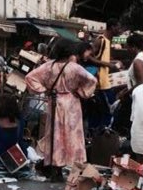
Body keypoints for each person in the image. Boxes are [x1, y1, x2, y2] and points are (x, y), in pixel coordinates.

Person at [25, 37, 97, 179]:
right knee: (72, 136)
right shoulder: (74, 67)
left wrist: (44, 90)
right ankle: (74, 167)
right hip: (71, 104)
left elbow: (30, 77)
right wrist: (81, 92)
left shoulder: (49, 66)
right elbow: (92, 80)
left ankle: (55, 167)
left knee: (55, 135)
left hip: (54, 102)